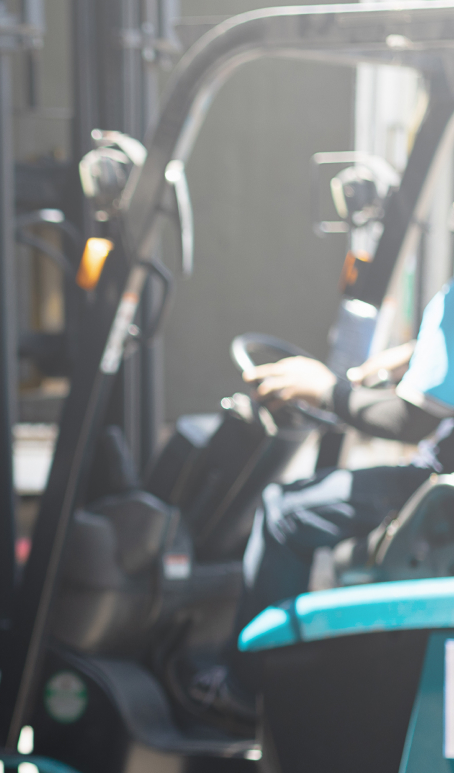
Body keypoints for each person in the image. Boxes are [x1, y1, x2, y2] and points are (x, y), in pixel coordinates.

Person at [190, 280, 454, 724]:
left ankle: (246, 690)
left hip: (440, 489)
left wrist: (325, 389)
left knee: (284, 512)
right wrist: (412, 355)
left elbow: (405, 419)